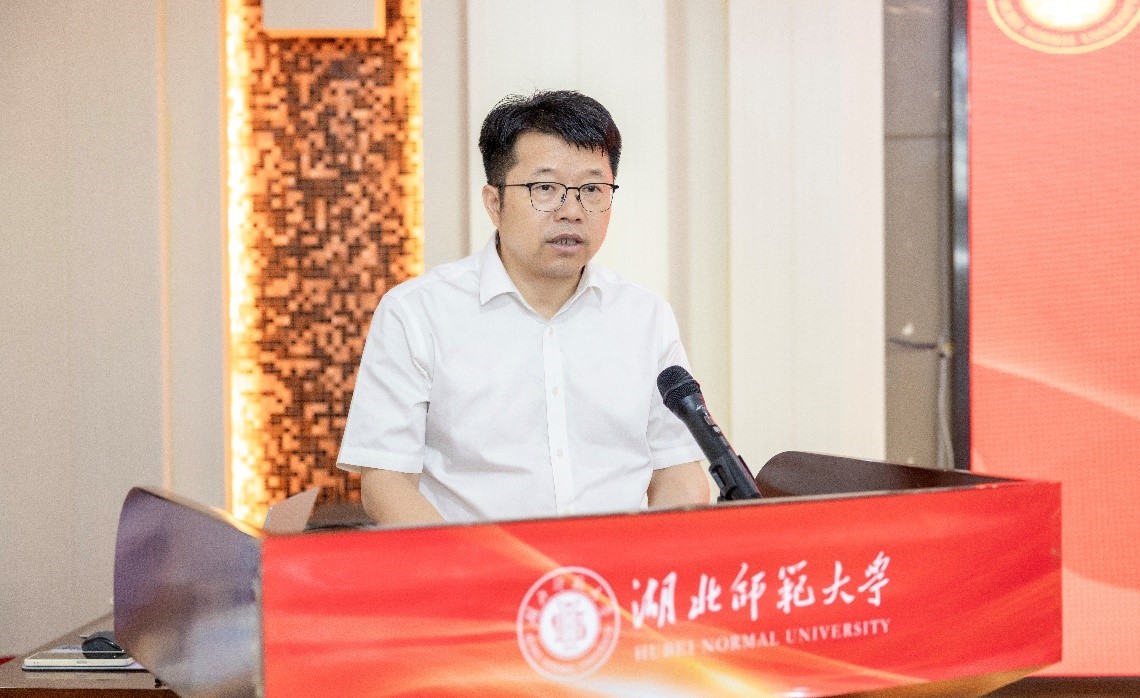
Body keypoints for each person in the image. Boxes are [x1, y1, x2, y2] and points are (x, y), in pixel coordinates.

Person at [337, 90, 709, 525]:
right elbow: (386, 482)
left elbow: (678, 472)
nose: (572, 211)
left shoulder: (645, 317)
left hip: (616, 567)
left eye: (592, 189)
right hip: (474, 565)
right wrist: (468, 562)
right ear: (494, 203)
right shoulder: (416, 314)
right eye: (545, 189)